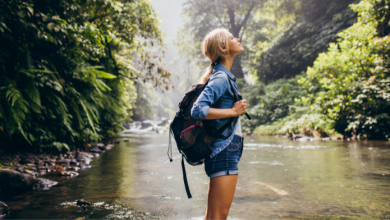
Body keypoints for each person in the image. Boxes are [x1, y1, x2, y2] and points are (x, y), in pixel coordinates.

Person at [191, 27, 247, 220]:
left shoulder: (222, 76)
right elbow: (198, 110)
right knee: (218, 217)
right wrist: (233, 111)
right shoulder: (221, 77)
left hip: (223, 150)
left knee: (213, 217)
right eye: (232, 38)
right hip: (224, 151)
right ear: (223, 47)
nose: (237, 39)